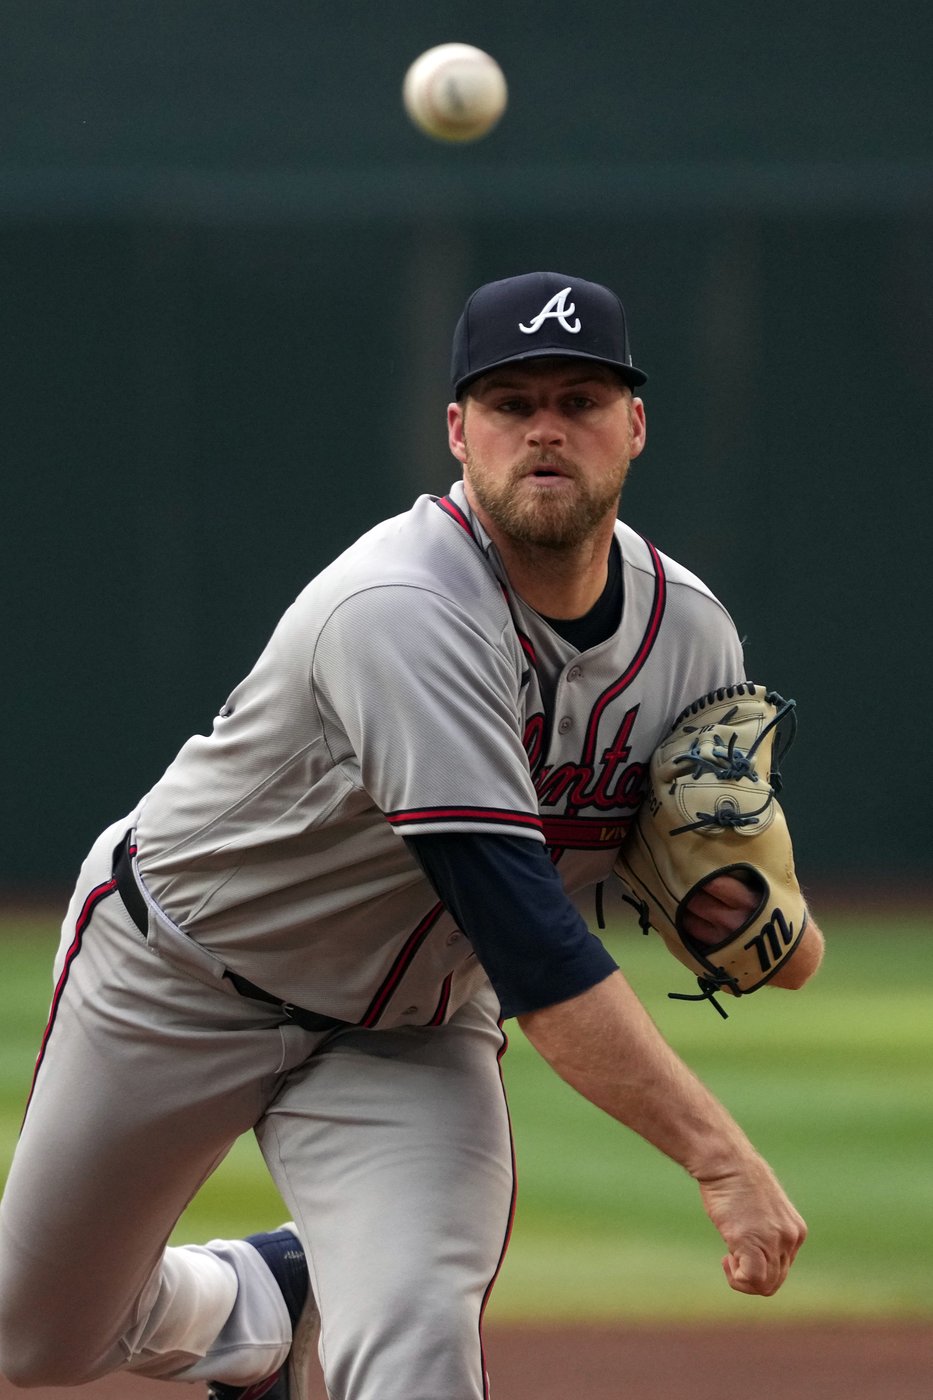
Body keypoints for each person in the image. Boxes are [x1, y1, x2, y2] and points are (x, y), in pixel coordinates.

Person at [0, 270, 824, 1400]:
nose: (545, 427)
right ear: (458, 431)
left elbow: (753, 917)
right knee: (34, 1338)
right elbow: (536, 946)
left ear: (634, 426)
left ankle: (316, 1313)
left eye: (580, 399)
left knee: (416, 1350)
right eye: (509, 400)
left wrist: (751, 923)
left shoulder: (691, 635)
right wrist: (720, 1156)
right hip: (182, 977)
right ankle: (267, 1301)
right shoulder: (401, 606)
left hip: (409, 1031)